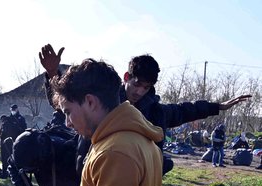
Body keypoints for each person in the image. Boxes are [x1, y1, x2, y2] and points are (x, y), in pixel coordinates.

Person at [40, 44, 250, 174]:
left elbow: (186, 110)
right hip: (86, 170)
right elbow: (67, 103)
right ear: (126, 78)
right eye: (137, 84)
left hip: (130, 180)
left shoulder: (154, 113)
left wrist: (217, 106)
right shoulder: (104, 99)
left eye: (146, 87)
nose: (140, 91)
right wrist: (53, 75)